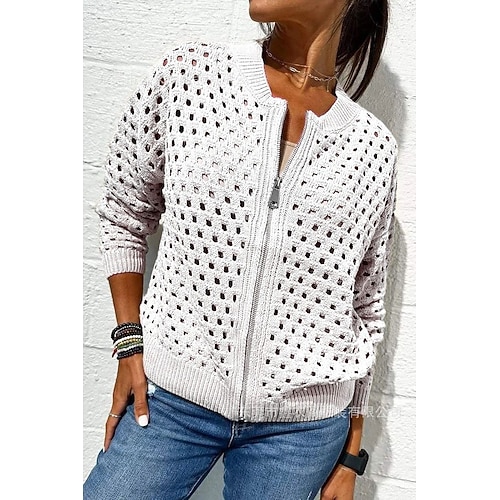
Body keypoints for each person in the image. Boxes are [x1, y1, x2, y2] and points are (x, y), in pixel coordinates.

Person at [83, 0, 398, 499]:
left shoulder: (373, 148)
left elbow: (366, 305)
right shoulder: (191, 77)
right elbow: (124, 211)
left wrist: (351, 455)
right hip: (173, 398)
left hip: (302, 431)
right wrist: (128, 344)